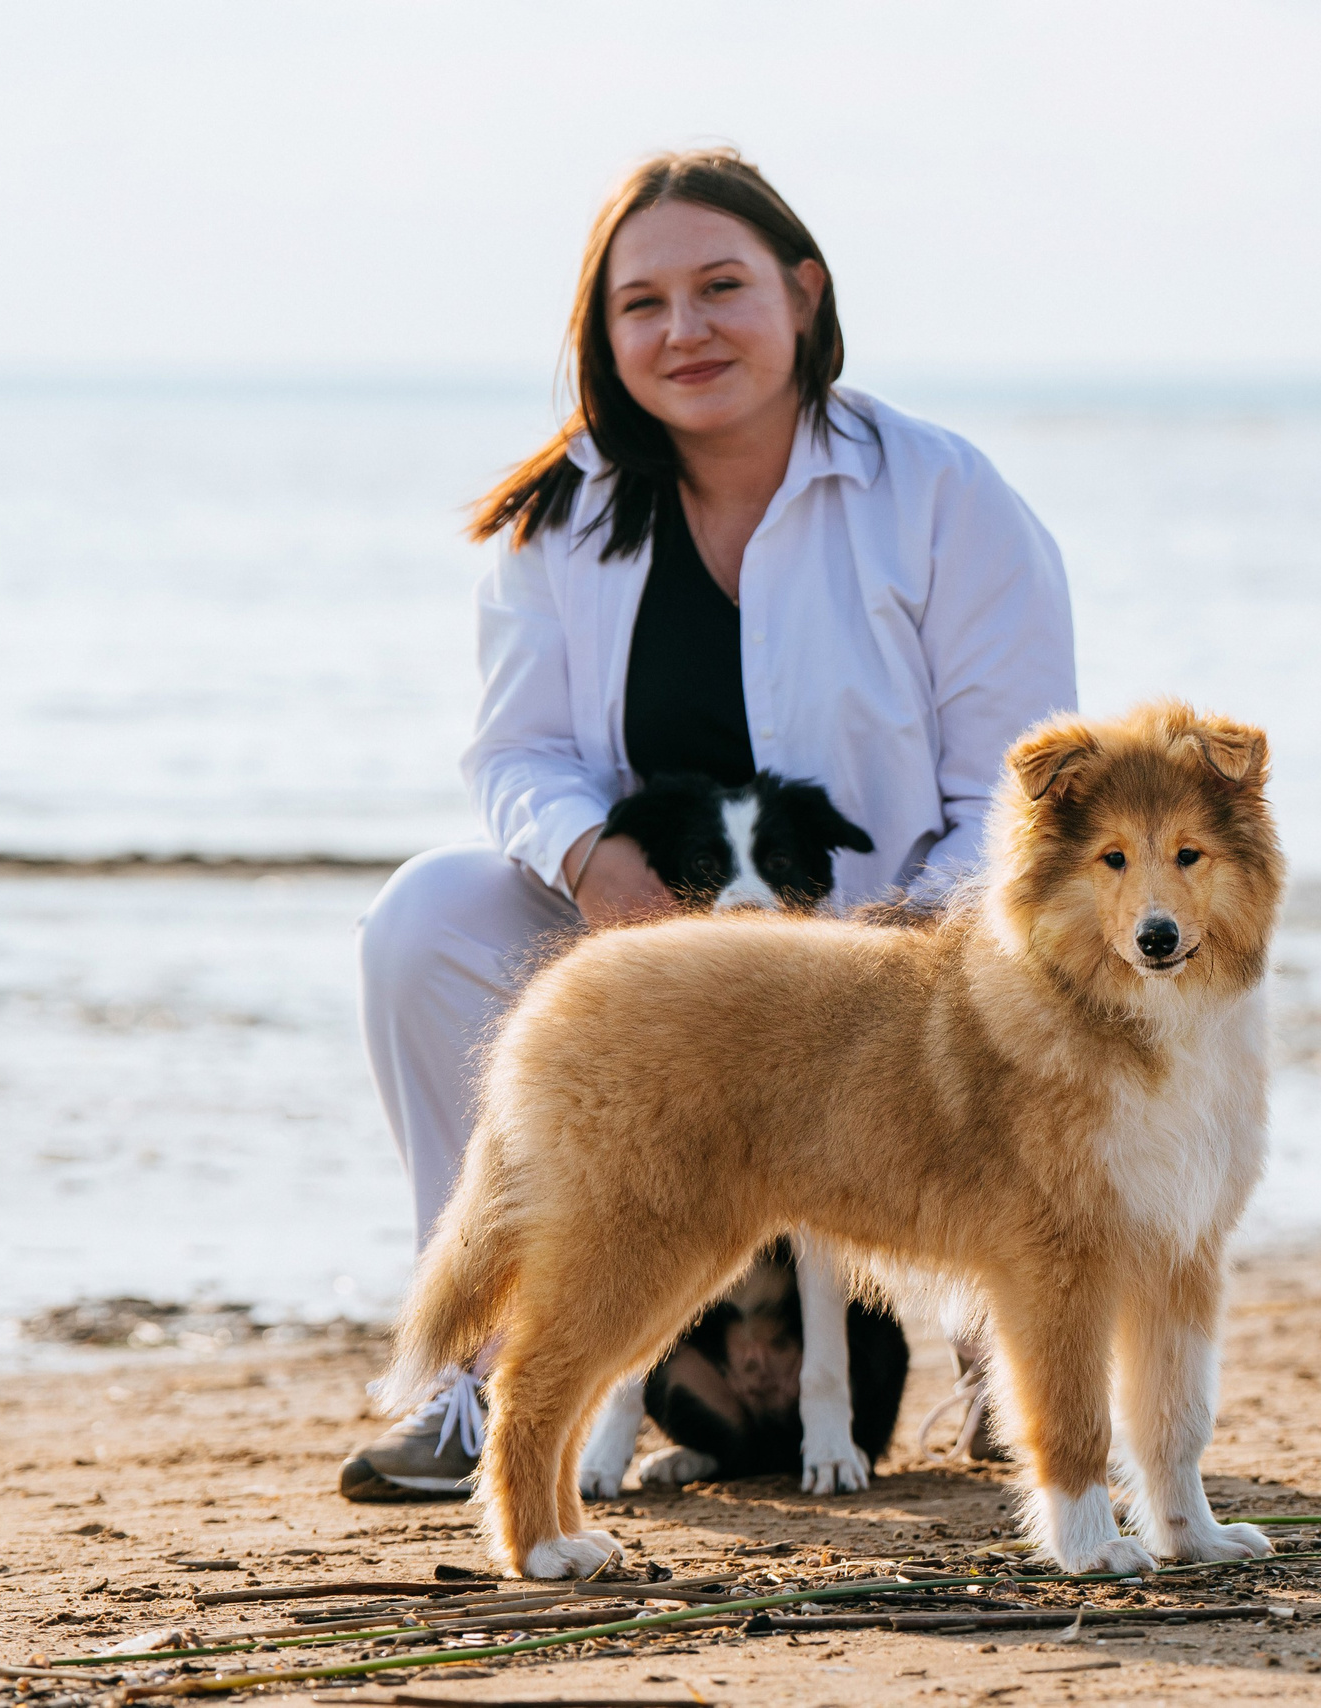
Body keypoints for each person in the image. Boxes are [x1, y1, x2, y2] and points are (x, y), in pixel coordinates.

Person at [340, 148, 1075, 1502]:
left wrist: (905, 935)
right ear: (602, 334)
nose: (684, 331)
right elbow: (516, 753)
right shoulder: (562, 509)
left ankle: (1001, 1333)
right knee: (428, 918)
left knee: (1051, 955)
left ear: (803, 295)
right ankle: (485, 1377)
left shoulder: (941, 494)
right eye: (643, 304)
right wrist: (594, 863)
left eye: (721, 287)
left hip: (902, 958)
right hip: (646, 939)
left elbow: (1018, 792)